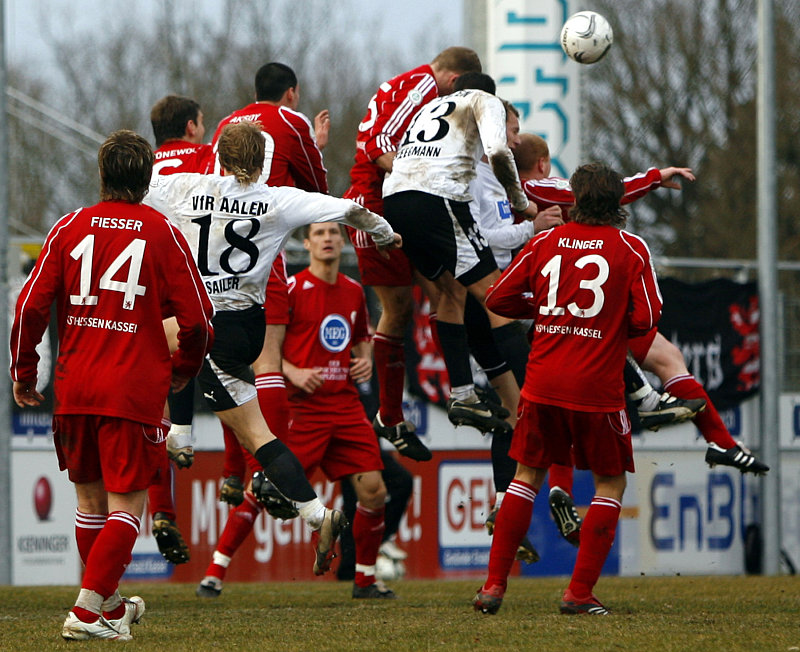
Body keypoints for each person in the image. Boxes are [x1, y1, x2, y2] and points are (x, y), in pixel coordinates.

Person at [144, 120, 401, 581]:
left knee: (254, 433)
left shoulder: (185, 187)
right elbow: (348, 209)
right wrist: (384, 233)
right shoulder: (277, 198)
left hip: (211, 325)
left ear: (220, 158)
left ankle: (312, 513)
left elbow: (135, 188)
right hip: (249, 326)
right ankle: (180, 432)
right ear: (263, 163)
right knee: (166, 336)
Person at [10, 130, 214, 640]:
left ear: (102, 175)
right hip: (131, 390)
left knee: (89, 503)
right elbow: (198, 319)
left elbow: (29, 306)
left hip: (74, 387)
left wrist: (23, 371)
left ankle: (111, 606)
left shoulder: (68, 226)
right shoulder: (162, 232)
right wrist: (185, 367)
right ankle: (85, 613)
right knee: (127, 508)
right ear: (146, 180)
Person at [514, 134, 768, 485]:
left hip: (548, 310)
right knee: (660, 360)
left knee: (560, 403)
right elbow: (603, 193)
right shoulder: (539, 189)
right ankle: (707, 434)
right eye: (512, 128)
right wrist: (655, 177)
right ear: (542, 163)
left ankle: (559, 486)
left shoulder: (502, 195)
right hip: (578, 307)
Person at [473, 162, 663, 616]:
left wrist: (543, 308)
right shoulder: (631, 248)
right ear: (618, 204)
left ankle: (493, 587)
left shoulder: (545, 242)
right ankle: (578, 593)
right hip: (597, 386)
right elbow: (647, 317)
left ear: (574, 199)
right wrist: (608, 322)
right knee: (609, 483)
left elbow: (498, 298)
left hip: (542, 381)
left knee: (525, 477)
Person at [198, 223, 398, 599]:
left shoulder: (354, 290)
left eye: (333, 233)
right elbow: (268, 349)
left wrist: (364, 359)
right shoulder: (291, 288)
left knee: (374, 491)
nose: (327, 239)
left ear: (342, 241)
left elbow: (361, 338)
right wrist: (294, 371)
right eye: (319, 234)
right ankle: (214, 573)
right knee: (266, 487)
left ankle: (366, 579)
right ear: (306, 243)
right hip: (303, 409)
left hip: (345, 405)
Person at [382, 72, 539, 438]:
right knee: (496, 295)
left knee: (450, 291)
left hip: (395, 200)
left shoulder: (430, 107)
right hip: (438, 197)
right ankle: (537, 393)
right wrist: (521, 202)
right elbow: (498, 152)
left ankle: (463, 392)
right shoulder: (485, 101)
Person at [344, 46, 483, 461]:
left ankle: (465, 390)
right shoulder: (421, 85)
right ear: (454, 80)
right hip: (375, 207)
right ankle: (390, 415)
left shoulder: (415, 87)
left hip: (402, 203)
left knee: (450, 289)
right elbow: (376, 142)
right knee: (400, 308)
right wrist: (420, 175)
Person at [209, 62, 330, 506]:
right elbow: (318, 189)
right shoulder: (290, 121)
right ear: (291, 93)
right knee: (267, 361)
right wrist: (314, 149)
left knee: (224, 362)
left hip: (214, 253)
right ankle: (268, 474)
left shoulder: (226, 123)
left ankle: (231, 467)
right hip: (261, 248)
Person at [145, 93, 217, 565]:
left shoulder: (142, 167)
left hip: (147, 283)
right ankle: (238, 475)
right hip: (197, 279)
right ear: (192, 126)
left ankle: (161, 510)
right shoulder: (206, 156)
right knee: (239, 372)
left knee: (154, 400)